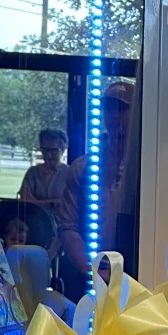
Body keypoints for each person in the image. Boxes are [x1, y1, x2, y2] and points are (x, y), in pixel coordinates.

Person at [55, 81, 135, 302]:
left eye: (122, 108)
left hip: (137, 276)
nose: (114, 115)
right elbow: (67, 226)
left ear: (136, 113)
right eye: (108, 108)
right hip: (89, 278)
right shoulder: (82, 167)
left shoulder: (148, 170)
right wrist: (91, 269)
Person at [18, 128, 70, 213]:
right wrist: (52, 203)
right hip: (35, 220)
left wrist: (36, 203)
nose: (48, 155)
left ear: (63, 150)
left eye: (53, 151)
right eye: (45, 150)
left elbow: (68, 201)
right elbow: (24, 199)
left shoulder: (71, 173)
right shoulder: (33, 172)